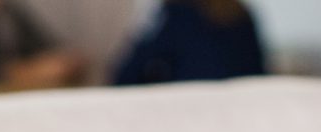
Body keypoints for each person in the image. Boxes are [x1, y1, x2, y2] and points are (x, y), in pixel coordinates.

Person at [109, 0, 265, 86]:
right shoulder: (243, 14)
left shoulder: (176, 13)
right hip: (238, 116)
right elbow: (259, 75)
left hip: (190, 114)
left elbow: (126, 75)